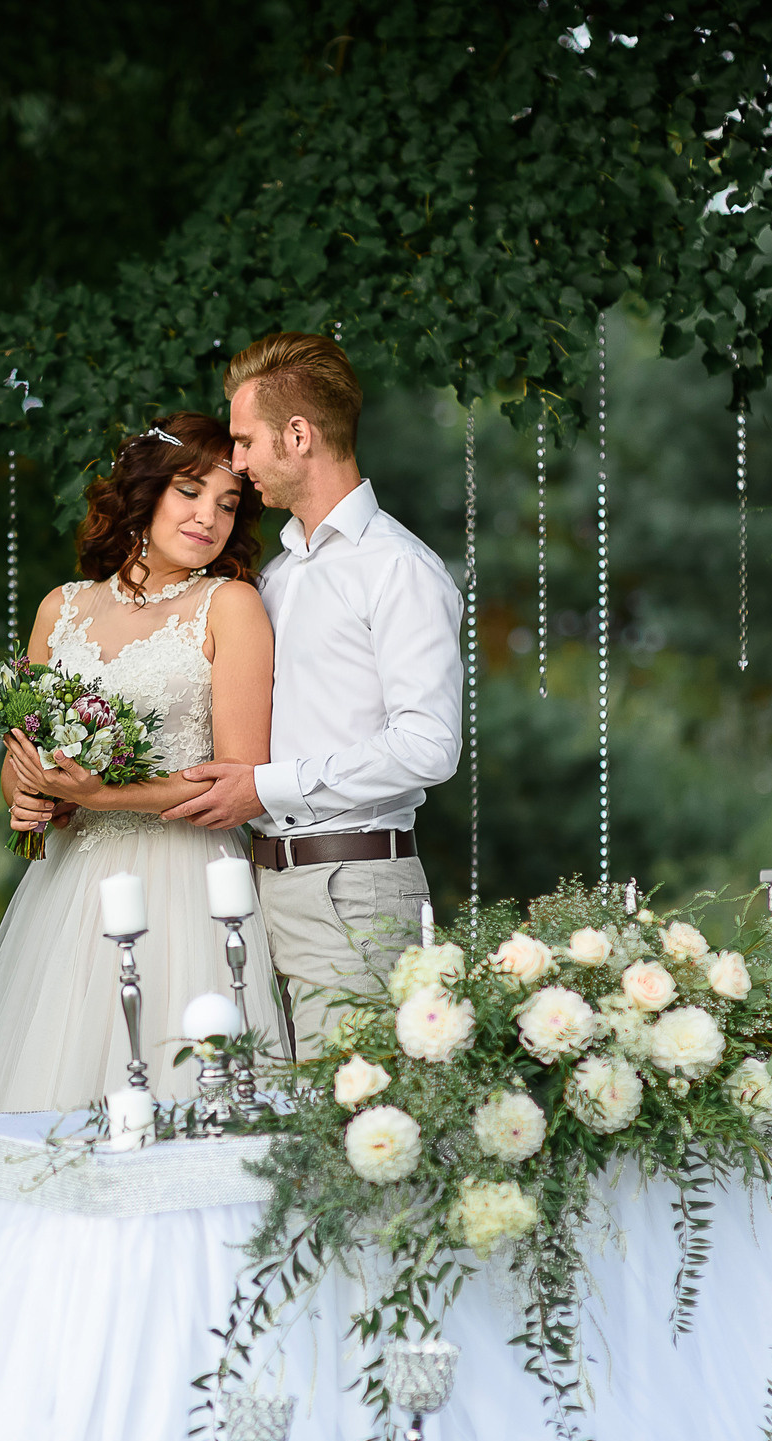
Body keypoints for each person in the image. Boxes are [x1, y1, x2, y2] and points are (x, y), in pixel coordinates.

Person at [0, 412, 280, 1118]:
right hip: (68, 889)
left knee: (180, 1091)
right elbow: (21, 756)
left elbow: (239, 774)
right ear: (145, 491)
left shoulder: (230, 606)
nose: (209, 517)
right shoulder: (60, 608)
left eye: (228, 504)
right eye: (191, 491)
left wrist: (100, 795)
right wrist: (28, 797)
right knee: (50, 1085)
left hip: (185, 883)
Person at [165, 332, 465, 1054]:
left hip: (352, 889)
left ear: (297, 436)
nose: (237, 462)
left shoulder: (397, 568)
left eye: (245, 441)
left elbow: (430, 745)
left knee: (359, 1110)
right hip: (259, 889)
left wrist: (266, 788)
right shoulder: (276, 576)